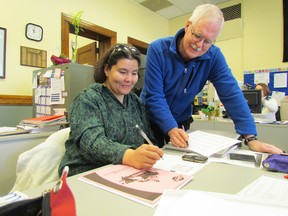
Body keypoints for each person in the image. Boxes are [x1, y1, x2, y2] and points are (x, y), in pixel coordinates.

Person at [140, 4, 283, 154]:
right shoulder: (158, 49)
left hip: (181, 120)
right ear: (188, 25)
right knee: (152, 162)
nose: (199, 45)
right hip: (150, 120)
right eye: (197, 36)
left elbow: (232, 94)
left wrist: (251, 138)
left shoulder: (213, 56)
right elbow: (154, 96)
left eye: (208, 41)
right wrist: (170, 128)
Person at [59, 44, 163, 177]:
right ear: (107, 70)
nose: (129, 79)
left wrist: (151, 152)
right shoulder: (87, 99)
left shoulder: (135, 101)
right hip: (85, 171)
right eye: (122, 72)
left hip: (125, 170)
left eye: (134, 73)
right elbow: (91, 143)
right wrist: (128, 155)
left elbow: (148, 137)